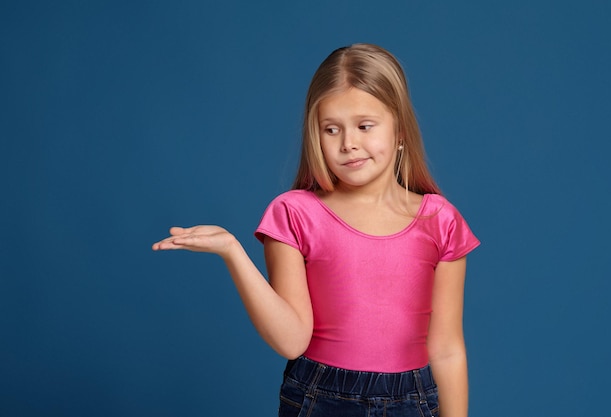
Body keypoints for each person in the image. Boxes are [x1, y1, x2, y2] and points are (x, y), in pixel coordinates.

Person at [153, 43, 480, 417]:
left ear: (400, 130)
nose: (348, 143)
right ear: (316, 134)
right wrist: (232, 251)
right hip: (320, 399)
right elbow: (291, 340)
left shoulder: (440, 221)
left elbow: (447, 348)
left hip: (413, 401)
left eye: (364, 125)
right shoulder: (295, 214)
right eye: (331, 129)